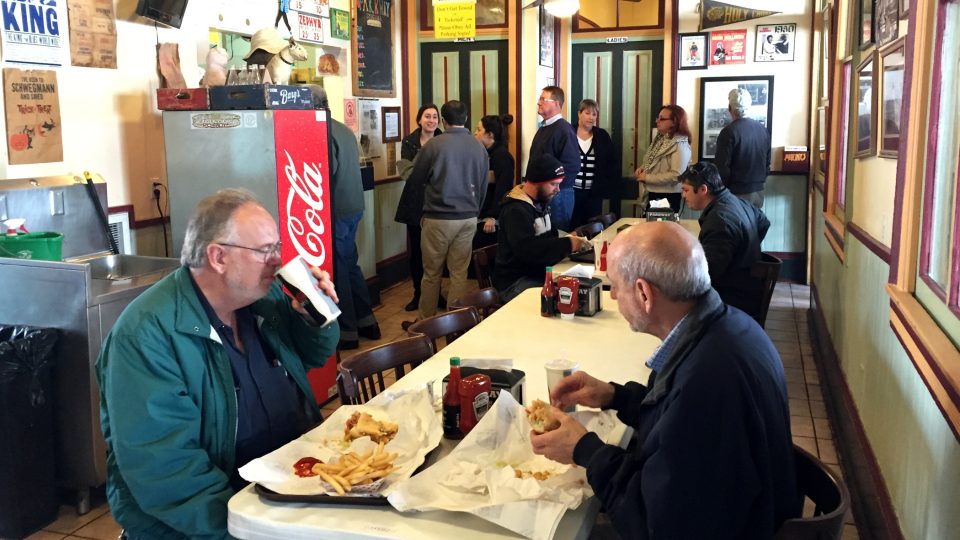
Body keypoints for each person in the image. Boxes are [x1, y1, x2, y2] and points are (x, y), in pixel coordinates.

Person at [529, 221, 799, 540]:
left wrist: (585, 450)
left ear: (644, 293)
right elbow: (680, 426)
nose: (613, 295)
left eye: (615, 286)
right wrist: (616, 397)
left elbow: (655, 522)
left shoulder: (708, 382)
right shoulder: (730, 326)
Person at [97, 189, 340, 539]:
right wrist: (247, 533)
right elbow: (167, 472)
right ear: (218, 257)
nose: (278, 260)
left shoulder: (263, 297)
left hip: (288, 494)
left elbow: (315, 357)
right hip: (212, 524)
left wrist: (317, 316)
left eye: (277, 247)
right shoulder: (146, 336)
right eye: (265, 250)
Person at [405, 100, 488, 323]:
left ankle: (426, 323)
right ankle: (455, 323)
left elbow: (416, 179)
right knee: (459, 273)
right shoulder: (478, 146)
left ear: (443, 120)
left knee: (431, 274)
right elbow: (483, 186)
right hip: (469, 216)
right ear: (466, 118)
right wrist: (475, 211)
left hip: (438, 217)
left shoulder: (434, 145)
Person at [310, 85, 379, 350]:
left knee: (339, 268)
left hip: (336, 210)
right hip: (354, 206)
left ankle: (348, 331)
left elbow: (325, 175)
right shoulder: (342, 128)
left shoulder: (319, 131)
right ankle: (368, 323)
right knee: (350, 265)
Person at [493, 154, 590, 302]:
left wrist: (568, 237)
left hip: (537, 274)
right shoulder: (515, 210)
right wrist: (568, 244)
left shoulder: (539, 203)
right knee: (566, 298)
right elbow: (529, 250)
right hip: (515, 282)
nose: (558, 190)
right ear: (537, 182)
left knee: (580, 290)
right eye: (553, 184)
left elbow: (547, 237)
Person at [680, 162, 770, 315]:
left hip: (733, 300)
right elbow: (763, 222)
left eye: (686, 190)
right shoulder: (736, 201)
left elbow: (707, 273)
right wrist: (745, 249)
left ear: (703, 189)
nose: (683, 196)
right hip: (748, 288)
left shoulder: (719, 220)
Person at [395, 104, 442, 311]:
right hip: (414, 202)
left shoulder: (444, 139)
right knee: (417, 252)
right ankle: (418, 293)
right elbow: (407, 173)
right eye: (427, 117)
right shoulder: (409, 141)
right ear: (419, 120)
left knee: (436, 252)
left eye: (435, 117)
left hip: (438, 201)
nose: (431, 120)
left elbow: (443, 170)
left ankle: (436, 294)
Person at [529, 85, 580, 232]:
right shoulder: (543, 128)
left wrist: (551, 188)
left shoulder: (564, 129)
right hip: (542, 196)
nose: (539, 102)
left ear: (556, 104)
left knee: (558, 238)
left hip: (558, 195)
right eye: (539, 99)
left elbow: (572, 166)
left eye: (543, 99)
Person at [714, 88, 771, 208]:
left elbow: (722, 168)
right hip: (758, 191)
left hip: (736, 192)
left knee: (735, 225)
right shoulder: (762, 130)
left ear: (730, 108)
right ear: (749, 106)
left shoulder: (728, 132)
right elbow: (767, 163)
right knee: (754, 225)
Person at [633, 105, 692, 213]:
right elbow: (652, 161)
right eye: (658, 118)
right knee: (650, 227)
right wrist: (642, 168)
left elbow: (676, 175)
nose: (657, 121)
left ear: (674, 122)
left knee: (660, 227)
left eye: (662, 119)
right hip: (652, 191)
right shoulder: (660, 139)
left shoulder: (680, 144)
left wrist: (647, 177)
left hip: (667, 195)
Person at [570, 99, 618, 228]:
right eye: (587, 113)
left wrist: (605, 184)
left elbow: (611, 162)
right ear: (579, 114)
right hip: (571, 191)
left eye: (594, 114)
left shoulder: (602, 135)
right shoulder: (568, 132)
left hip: (594, 193)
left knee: (592, 227)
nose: (591, 117)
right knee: (571, 225)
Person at [474, 113, 516, 248]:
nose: (475, 133)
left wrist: (493, 217)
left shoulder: (501, 156)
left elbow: (503, 189)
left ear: (490, 135)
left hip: (491, 221)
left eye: (479, 130)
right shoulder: (485, 153)